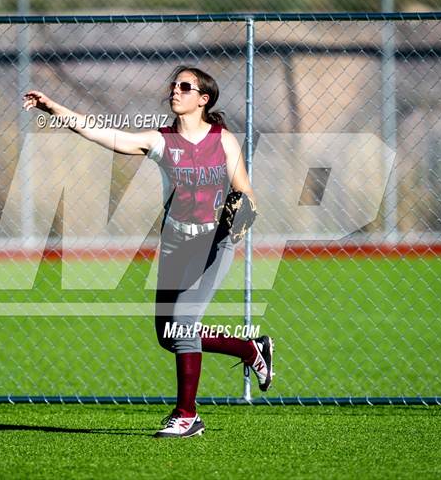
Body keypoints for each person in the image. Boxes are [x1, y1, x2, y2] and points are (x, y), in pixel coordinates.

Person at [23, 66, 274, 438]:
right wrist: (53, 109)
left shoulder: (223, 140)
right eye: (174, 85)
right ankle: (251, 350)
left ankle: (187, 416)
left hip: (213, 242)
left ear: (203, 99)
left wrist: (242, 214)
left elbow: (245, 191)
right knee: (169, 336)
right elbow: (104, 134)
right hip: (175, 245)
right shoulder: (161, 141)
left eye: (185, 87)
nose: (175, 91)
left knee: (183, 324)